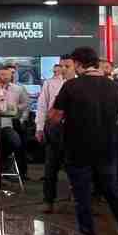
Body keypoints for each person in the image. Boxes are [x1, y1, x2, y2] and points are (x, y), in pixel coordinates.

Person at [47, 46, 118, 235]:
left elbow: (54, 117)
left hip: (78, 148)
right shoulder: (114, 87)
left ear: (79, 64)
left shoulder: (71, 86)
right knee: (114, 196)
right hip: (107, 148)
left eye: (71, 64)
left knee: (82, 198)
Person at [36, 54, 76, 213]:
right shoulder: (50, 84)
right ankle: (48, 200)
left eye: (67, 66)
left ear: (75, 66)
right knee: (51, 165)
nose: (63, 69)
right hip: (55, 128)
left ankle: (78, 199)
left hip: (76, 130)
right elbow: (42, 106)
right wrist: (39, 127)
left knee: (76, 166)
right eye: (61, 66)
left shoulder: (80, 84)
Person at [0, 65, 29, 179]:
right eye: (2, 75)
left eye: (7, 74)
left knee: (19, 146)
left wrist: (16, 109)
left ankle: (21, 173)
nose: (5, 77)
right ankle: (1, 170)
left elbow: (25, 103)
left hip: (14, 120)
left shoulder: (18, 89)